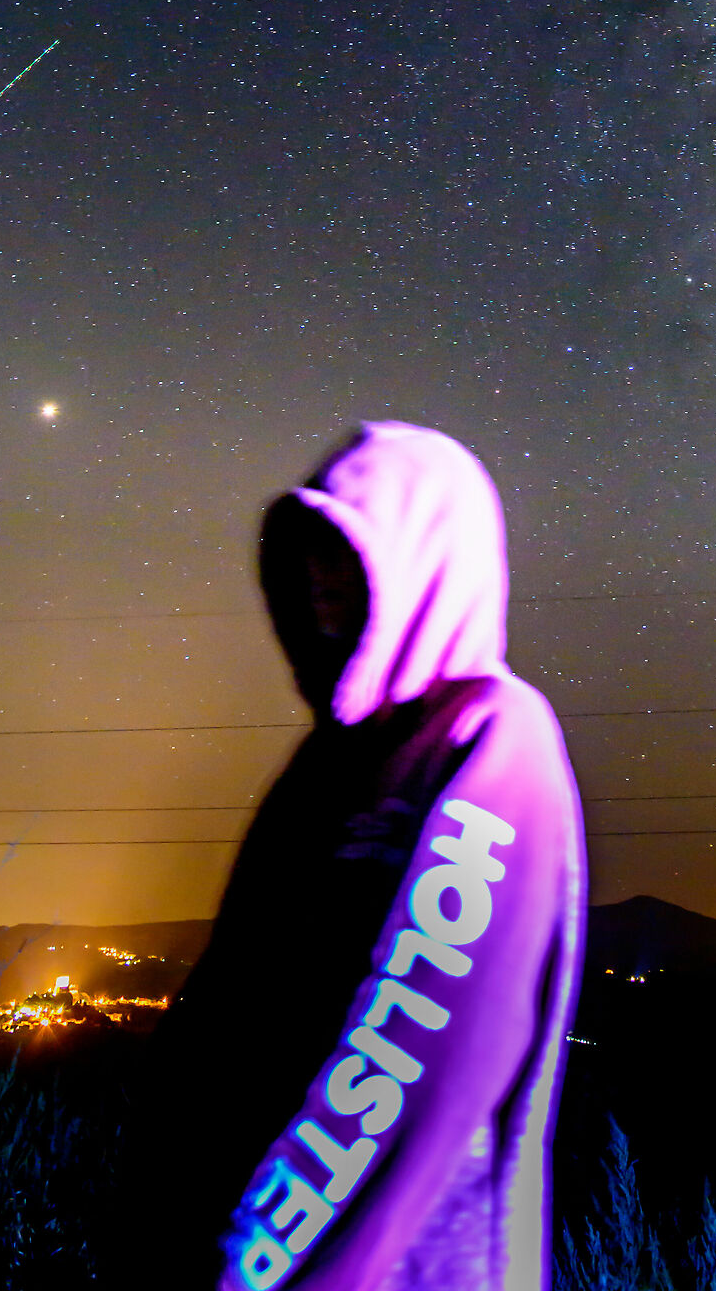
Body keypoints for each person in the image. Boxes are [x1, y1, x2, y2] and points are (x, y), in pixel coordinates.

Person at [140, 420, 587, 1291]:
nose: (319, 596)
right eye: (306, 569)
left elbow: (412, 1047)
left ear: (427, 565)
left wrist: (250, 1262)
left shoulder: (494, 736)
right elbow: (221, 1007)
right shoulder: (320, 769)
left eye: (344, 566)